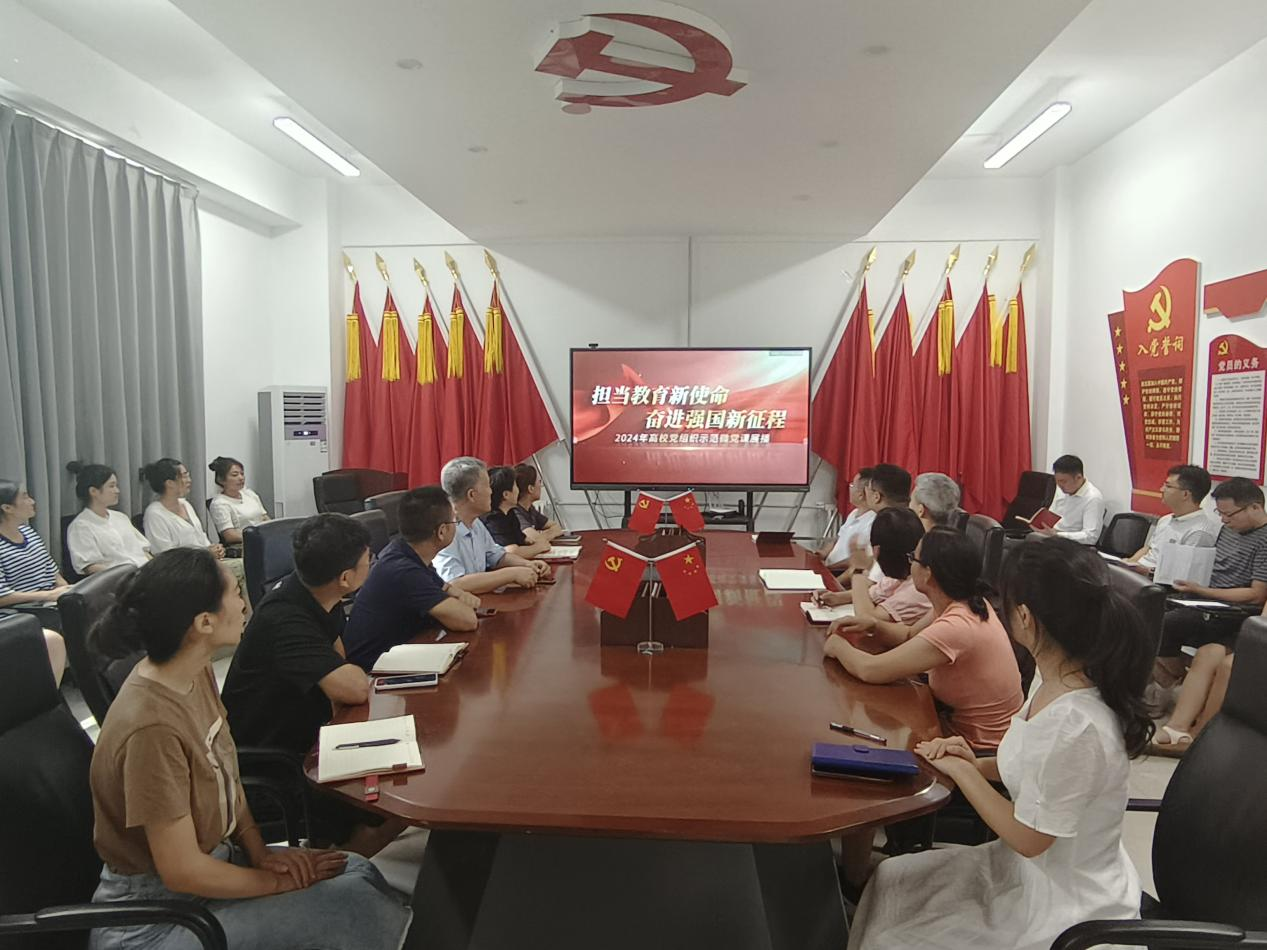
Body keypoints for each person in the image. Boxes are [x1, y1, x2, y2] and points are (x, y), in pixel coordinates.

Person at [87, 548, 410, 950]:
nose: (244, 603)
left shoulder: (194, 672)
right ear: (204, 623)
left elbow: (225, 769)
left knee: (354, 870)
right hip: (156, 920)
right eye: (235, 593)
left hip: (214, 867)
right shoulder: (151, 727)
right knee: (352, 906)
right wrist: (273, 883)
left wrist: (260, 853)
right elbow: (182, 871)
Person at [847, 538, 1153, 950]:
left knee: (894, 934)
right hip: (1027, 875)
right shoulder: (1055, 678)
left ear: (1024, 617)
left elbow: (1029, 840)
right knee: (891, 878)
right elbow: (1036, 766)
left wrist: (965, 774)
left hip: (1064, 906)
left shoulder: (1076, 724)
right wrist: (977, 763)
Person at [222, 513, 406, 855]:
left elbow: (341, 661)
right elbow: (352, 686)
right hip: (273, 759)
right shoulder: (284, 618)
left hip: (309, 731)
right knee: (391, 804)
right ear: (346, 578)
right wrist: (350, 679)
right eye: (368, 559)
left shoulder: (316, 594)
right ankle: (334, 864)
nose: (374, 562)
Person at [824, 527, 1023, 750]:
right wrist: (874, 626)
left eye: (914, 558)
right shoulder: (963, 601)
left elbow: (871, 670)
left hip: (974, 748)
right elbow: (909, 635)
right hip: (952, 725)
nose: (910, 565)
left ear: (928, 573)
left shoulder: (958, 626)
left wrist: (837, 645)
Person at [1151, 477, 1267, 750]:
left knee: (1213, 656)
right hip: (1205, 599)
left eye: (1230, 514)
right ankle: (1178, 727)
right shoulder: (1228, 530)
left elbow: (1256, 595)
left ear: (1255, 507)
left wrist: (1202, 590)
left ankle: (1199, 731)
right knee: (1154, 620)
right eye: (1220, 513)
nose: (1224, 520)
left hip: (1236, 613)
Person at [344, 486, 482, 671]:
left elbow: (446, 588)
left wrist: (456, 595)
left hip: (400, 657)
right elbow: (467, 621)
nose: (457, 525)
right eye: (455, 521)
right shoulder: (403, 571)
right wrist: (459, 601)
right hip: (372, 674)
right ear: (441, 531)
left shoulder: (404, 550)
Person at [433, 457, 550, 594]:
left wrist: (528, 565)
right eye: (487, 486)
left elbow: (497, 556)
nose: (491, 492)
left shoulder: (476, 523)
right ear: (472, 495)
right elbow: (455, 583)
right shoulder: (445, 530)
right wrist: (511, 574)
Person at [140, 458, 247, 597]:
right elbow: (165, 556)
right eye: (184, 476)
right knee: (244, 570)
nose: (189, 480)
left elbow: (200, 536)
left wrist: (214, 549)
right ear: (170, 483)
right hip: (184, 571)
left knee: (249, 564)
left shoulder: (185, 505)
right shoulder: (154, 514)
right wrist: (205, 553)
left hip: (205, 562)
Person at [0, 478, 69, 682]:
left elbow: (51, 569)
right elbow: (2, 597)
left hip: (47, 600)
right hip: (19, 610)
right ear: (7, 508)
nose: (32, 501)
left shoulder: (27, 531)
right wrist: (48, 595)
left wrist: (65, 588)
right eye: (24, 497)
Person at [812, 508, 931, 624]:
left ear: (876, 551)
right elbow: (872, 593)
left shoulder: (918, 588)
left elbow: (866, 619)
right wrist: (836, 598)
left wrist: (859, 570)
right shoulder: (901, 576)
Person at [1126, 464, 1218, 573]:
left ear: (1185, 494)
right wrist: (1127, 564)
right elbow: (1148, 549)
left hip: (1154, 579)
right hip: (1136, 573)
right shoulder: (1165, 519)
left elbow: (1181, 573)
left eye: (1168, 486)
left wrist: (1143, 571)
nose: (1161, 489)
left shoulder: (1199, 532)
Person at [65, 461, 151, 575]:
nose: (117, 491)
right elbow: (90, 566)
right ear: (93, 491)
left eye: (116, 486)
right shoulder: (81, 526)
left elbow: (144, 551)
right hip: (118, 579)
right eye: (111, 486)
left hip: (145, 574)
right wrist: (128, 575)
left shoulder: (121, 517)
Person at [482, 466, 552, 558]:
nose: (518, 491)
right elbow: (512, 552)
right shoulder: (493, 519)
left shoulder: (510, 513)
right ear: (506, 494)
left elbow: (524, 540)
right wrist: (539, 547)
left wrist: (535, 543)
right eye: (515, 486)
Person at [1039, 455, 1105, 544]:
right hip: (1053, 535)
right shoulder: (1062, 488)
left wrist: (1058, 535)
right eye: (1057, 481)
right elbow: (1053, 514)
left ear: (1078, 477)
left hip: (1071, 544)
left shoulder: (1093, 498)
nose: (1059, 485)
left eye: (1063, 481)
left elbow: (1091, 537)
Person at [817, 468, 876, 570]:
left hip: (839, 571)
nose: (849, 488)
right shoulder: (853, 513)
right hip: (829, 567)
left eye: (852, 485)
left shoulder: (872, 522)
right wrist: (821, 554)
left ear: (860, 495)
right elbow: (838, 539)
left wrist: (828, 568)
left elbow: (858, 560)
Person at [208, 456, 270, 547]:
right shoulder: (219, 503)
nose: (241, 478)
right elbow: (230, 536)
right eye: (235, 475)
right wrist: (258, 538)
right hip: (244, 544)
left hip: (264, 540)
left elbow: (264, 517)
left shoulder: (249, 494)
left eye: (242, 474)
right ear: (221, 480)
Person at [513, 463, 564, 543]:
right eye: (539, 482)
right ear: (531, 488)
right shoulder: (514, 512)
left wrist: (541, 536)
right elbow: (534, 539)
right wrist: (543, 536)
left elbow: (557, 527)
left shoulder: (530, 509)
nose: (541, 485)